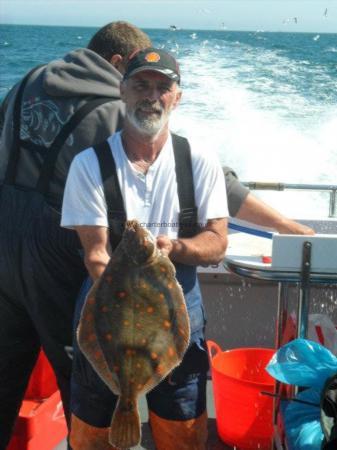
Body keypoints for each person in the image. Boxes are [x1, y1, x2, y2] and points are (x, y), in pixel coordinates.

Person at [61, 47, 229, 450]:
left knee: (183, 432)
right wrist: (132, 290)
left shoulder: (199, 160)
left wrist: (176, 249)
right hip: (108, 310)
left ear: (177, 97)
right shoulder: (89, 164)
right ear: (122, 90)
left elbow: (217, 242)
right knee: (91, 436)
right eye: (141, 85)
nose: (151, 96)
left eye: (162, 87)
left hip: (179, 311)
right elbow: (96, 254)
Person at [0, 21, 152, 448]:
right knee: (82, 379)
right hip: (56, 256)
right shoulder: (115, 114)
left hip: (3, 245)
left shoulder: (25, 83)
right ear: (118, 63)